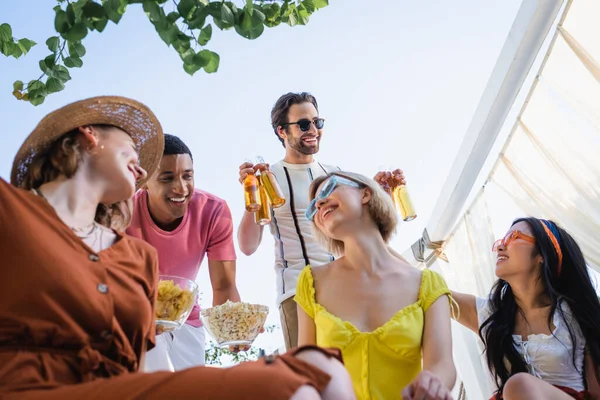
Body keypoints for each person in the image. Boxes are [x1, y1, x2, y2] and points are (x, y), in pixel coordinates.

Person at [0, 96, 357, 400]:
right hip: (29, 383)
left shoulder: (136, 257)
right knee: (284, 385)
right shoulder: (11, 212)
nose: (140, 167)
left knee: (321, 368)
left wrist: (232, 330)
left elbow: (141, 368)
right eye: (130, 150)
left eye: (186, 175)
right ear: (88, 137)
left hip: (125, 384)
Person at [237, 92, 405, 351]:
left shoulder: (334, 173)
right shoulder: (268, 178)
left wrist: (379, 192)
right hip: (297, 293)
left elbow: (364, 232)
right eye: (304, 124)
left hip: (347, 285)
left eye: (318, 122)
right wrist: (252, 200)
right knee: (311, 379)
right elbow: (247, 246)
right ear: (282, 131)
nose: (313, 129)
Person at [295, 171, 457, 400]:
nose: (319, 203)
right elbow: (305, 369)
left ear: (365, 193)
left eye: (329, 188)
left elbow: (442, 364)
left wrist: (433, 382)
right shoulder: (310, 282)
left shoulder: (427, 284)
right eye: (313, 207)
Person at [126, 133, 241, 371]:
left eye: (187, 176)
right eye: (167, 178)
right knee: (156, 382)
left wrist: (233, 328)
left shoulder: (214, 212)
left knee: (192, 389)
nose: (181, 188)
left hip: (186, 319)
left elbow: (223, 285)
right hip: (139, 317)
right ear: (144, 181)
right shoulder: (121, 214)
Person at [451, 218, 600, 400]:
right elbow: (423, 288)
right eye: (501, 240)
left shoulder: (577, 314)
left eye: (514, 236)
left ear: (542, 255)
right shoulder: (488, 313)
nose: (500, 247)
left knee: (518, 385)